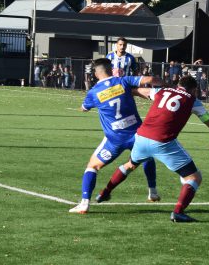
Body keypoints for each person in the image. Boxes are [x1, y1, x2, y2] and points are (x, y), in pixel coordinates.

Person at [94, 75, 209, 222]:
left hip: (141, 137)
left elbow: (142, 91)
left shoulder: (162, 91)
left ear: (178, 85)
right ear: (194, 89)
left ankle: (105, 192)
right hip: (163, 142)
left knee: (130, 165)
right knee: (194, 177)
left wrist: (129, 91)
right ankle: (178, 212)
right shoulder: (193, 101)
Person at [68, 59, 162, 214]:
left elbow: (84, 108)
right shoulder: (123, 81)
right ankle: (152, 191)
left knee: (93, 166)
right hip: (137, 135)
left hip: (115, 140)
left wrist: (85, 106)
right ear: (111, 69)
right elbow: (149, 80)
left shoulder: (93, 92)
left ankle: (84, 203)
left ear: (96, 73)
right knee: (147, 157)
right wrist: (163, 84)